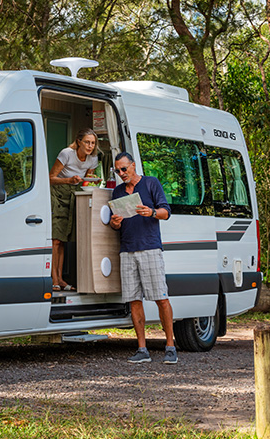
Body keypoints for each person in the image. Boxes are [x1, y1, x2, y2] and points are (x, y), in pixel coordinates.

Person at [109, 152, 178, 364]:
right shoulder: (118, 192)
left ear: (133, 165)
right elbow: (114, 225)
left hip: (149, 248)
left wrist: (151, 212)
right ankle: (142, 349)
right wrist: (116, 223)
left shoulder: (150, 183)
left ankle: (170, 346)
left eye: (124, 169)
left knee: (160, 298)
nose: (121, 174)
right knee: (134, 300)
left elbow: (166, 212)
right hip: (127, 250)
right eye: (118, 171)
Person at [49, 128, 99, 291]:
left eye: (93, 143)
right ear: (78, 142)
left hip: (74, 196)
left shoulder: (93, 159)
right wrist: (69, 180)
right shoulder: (66, 154)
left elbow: (88, 180)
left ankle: (61, 278)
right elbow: (50, 178)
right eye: (87, 142)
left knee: (63, 240)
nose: (90, 146)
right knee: (56, 239)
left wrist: (91, 181)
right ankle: (53, 278)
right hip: (58, 194)